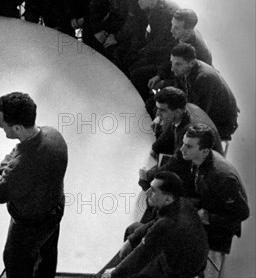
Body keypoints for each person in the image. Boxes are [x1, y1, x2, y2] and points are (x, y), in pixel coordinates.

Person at [0, 92, 68, 278]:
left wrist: (5, 166)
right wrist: (12, 161)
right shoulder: (53, 135)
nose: (0, 126)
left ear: (17, 128)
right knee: (47, 255)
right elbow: (17, 152)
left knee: (15, 262)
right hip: (55, 210)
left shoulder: (21, 166)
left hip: (30, 226)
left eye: (3, 125)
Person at [101, 171, 208, 278]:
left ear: (167, 199)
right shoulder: (180, 202)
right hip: (189, 258)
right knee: (132, 229)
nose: (147, 193)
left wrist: (114, 274)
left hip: (179, 271)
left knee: (127, 273)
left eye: (153, 191)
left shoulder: (167, 224)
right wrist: (131, 240)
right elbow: (156, 221)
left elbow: (142, 255)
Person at [138, 87, 222, 196]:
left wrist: (149, 175)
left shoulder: (188, 131)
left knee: (148, 183)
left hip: (201, 171)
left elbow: (178, 163)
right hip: (191, 156)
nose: (157, 113)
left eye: (162, 110)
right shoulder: (183, 111)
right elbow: (172, 128)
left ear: (177, 111)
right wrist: (156, 148)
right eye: (157, 108)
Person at [180, 124, 250, 253]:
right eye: (183, 143)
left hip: (218, 228)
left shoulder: (222, 177)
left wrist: (209, 218)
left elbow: (243, 213)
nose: (182, 149)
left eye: (188, 146)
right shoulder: (200, 158)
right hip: (207, 204)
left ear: (205, 151)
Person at [170, 44, 238, 140]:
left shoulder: (204, 78)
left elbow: (199, 112)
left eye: (178, 64)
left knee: (177, 124)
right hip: (209, 113)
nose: (172, 68)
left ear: (192, 63)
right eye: (172, 63)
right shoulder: (188, 69)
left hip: (222, 124)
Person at [87, 0, 146, 69]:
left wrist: (116, 37)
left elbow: (132, 22)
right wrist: (97, 30)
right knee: (89, 33)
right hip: (115, 19)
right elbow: (95, 5)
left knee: (113, 50)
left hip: (131, 29)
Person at [128, 0, 178, 100]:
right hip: (154, 51)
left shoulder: (164, 16)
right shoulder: (150, 9)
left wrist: (143, 52)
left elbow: (162, 45)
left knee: (137, 72)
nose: (139, 0)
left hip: (163, 60)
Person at [147, 8, 213, 94]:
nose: (171, 30)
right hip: (172, 73)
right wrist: (159, 76)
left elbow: (186, 82)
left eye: (176, 28)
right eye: (172, 25)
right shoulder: (180, 35)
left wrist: (164, 84)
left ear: (188, 31)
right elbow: (171, 57)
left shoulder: (200, 54)